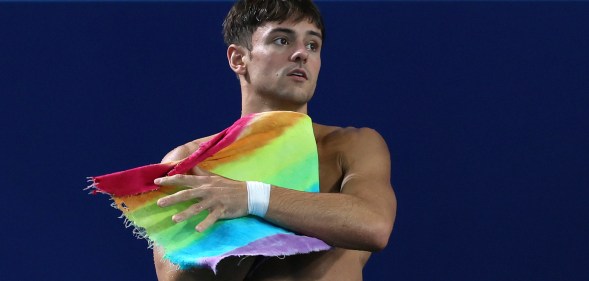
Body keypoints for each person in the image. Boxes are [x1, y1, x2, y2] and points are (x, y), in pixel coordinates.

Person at [152, 1, 397, 280]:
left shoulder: (351, 145)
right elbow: (177, 277)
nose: (301, 54)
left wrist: (250, 198)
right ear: (238, 59)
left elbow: (373, 225)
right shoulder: (188, 162)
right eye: (282, 40)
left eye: (313, 45)